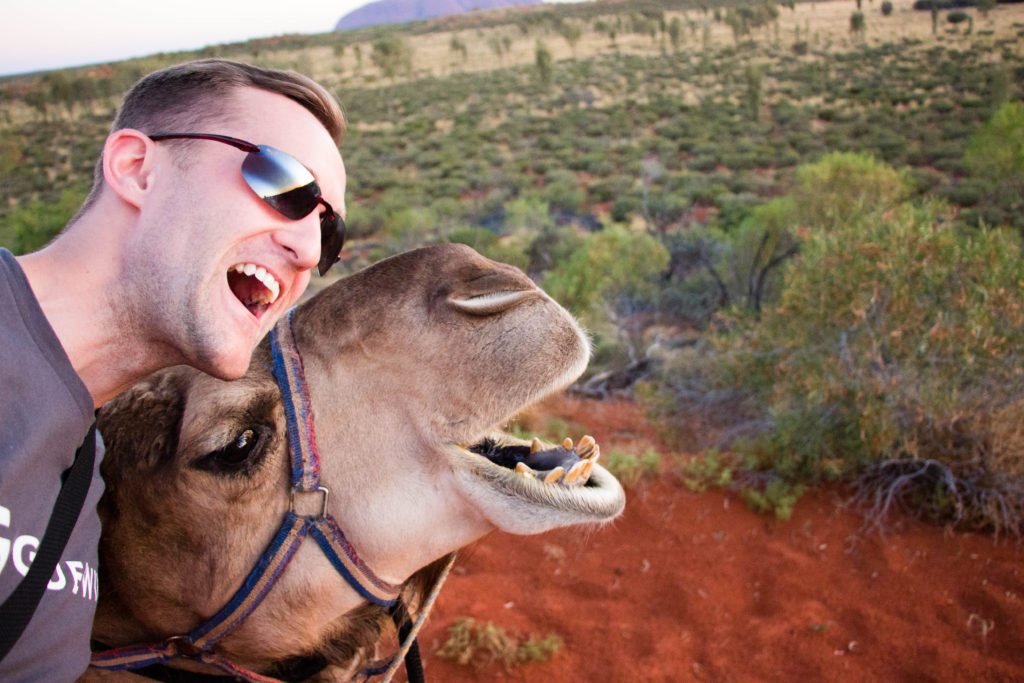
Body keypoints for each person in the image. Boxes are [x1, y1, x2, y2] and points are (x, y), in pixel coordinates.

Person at [0, 58, 348, 681]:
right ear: (136, 169)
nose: (310, 248)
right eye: (284, 185)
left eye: (329, 225)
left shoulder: (84, 488)